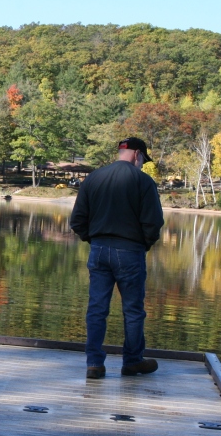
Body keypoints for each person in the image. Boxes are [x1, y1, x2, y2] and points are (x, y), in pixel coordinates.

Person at [70, 137, 164, 379]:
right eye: (143, 160)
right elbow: (153, 223)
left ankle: (94, 364)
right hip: (130, 252)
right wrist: (144, 244)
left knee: (97, 308)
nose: (142, 165)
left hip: (99, 250)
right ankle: (132, 361)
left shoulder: (94, 178)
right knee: (133, 310)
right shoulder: (143, 181)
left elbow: (77, 220)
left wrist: (94, 240)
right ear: (137, 155)